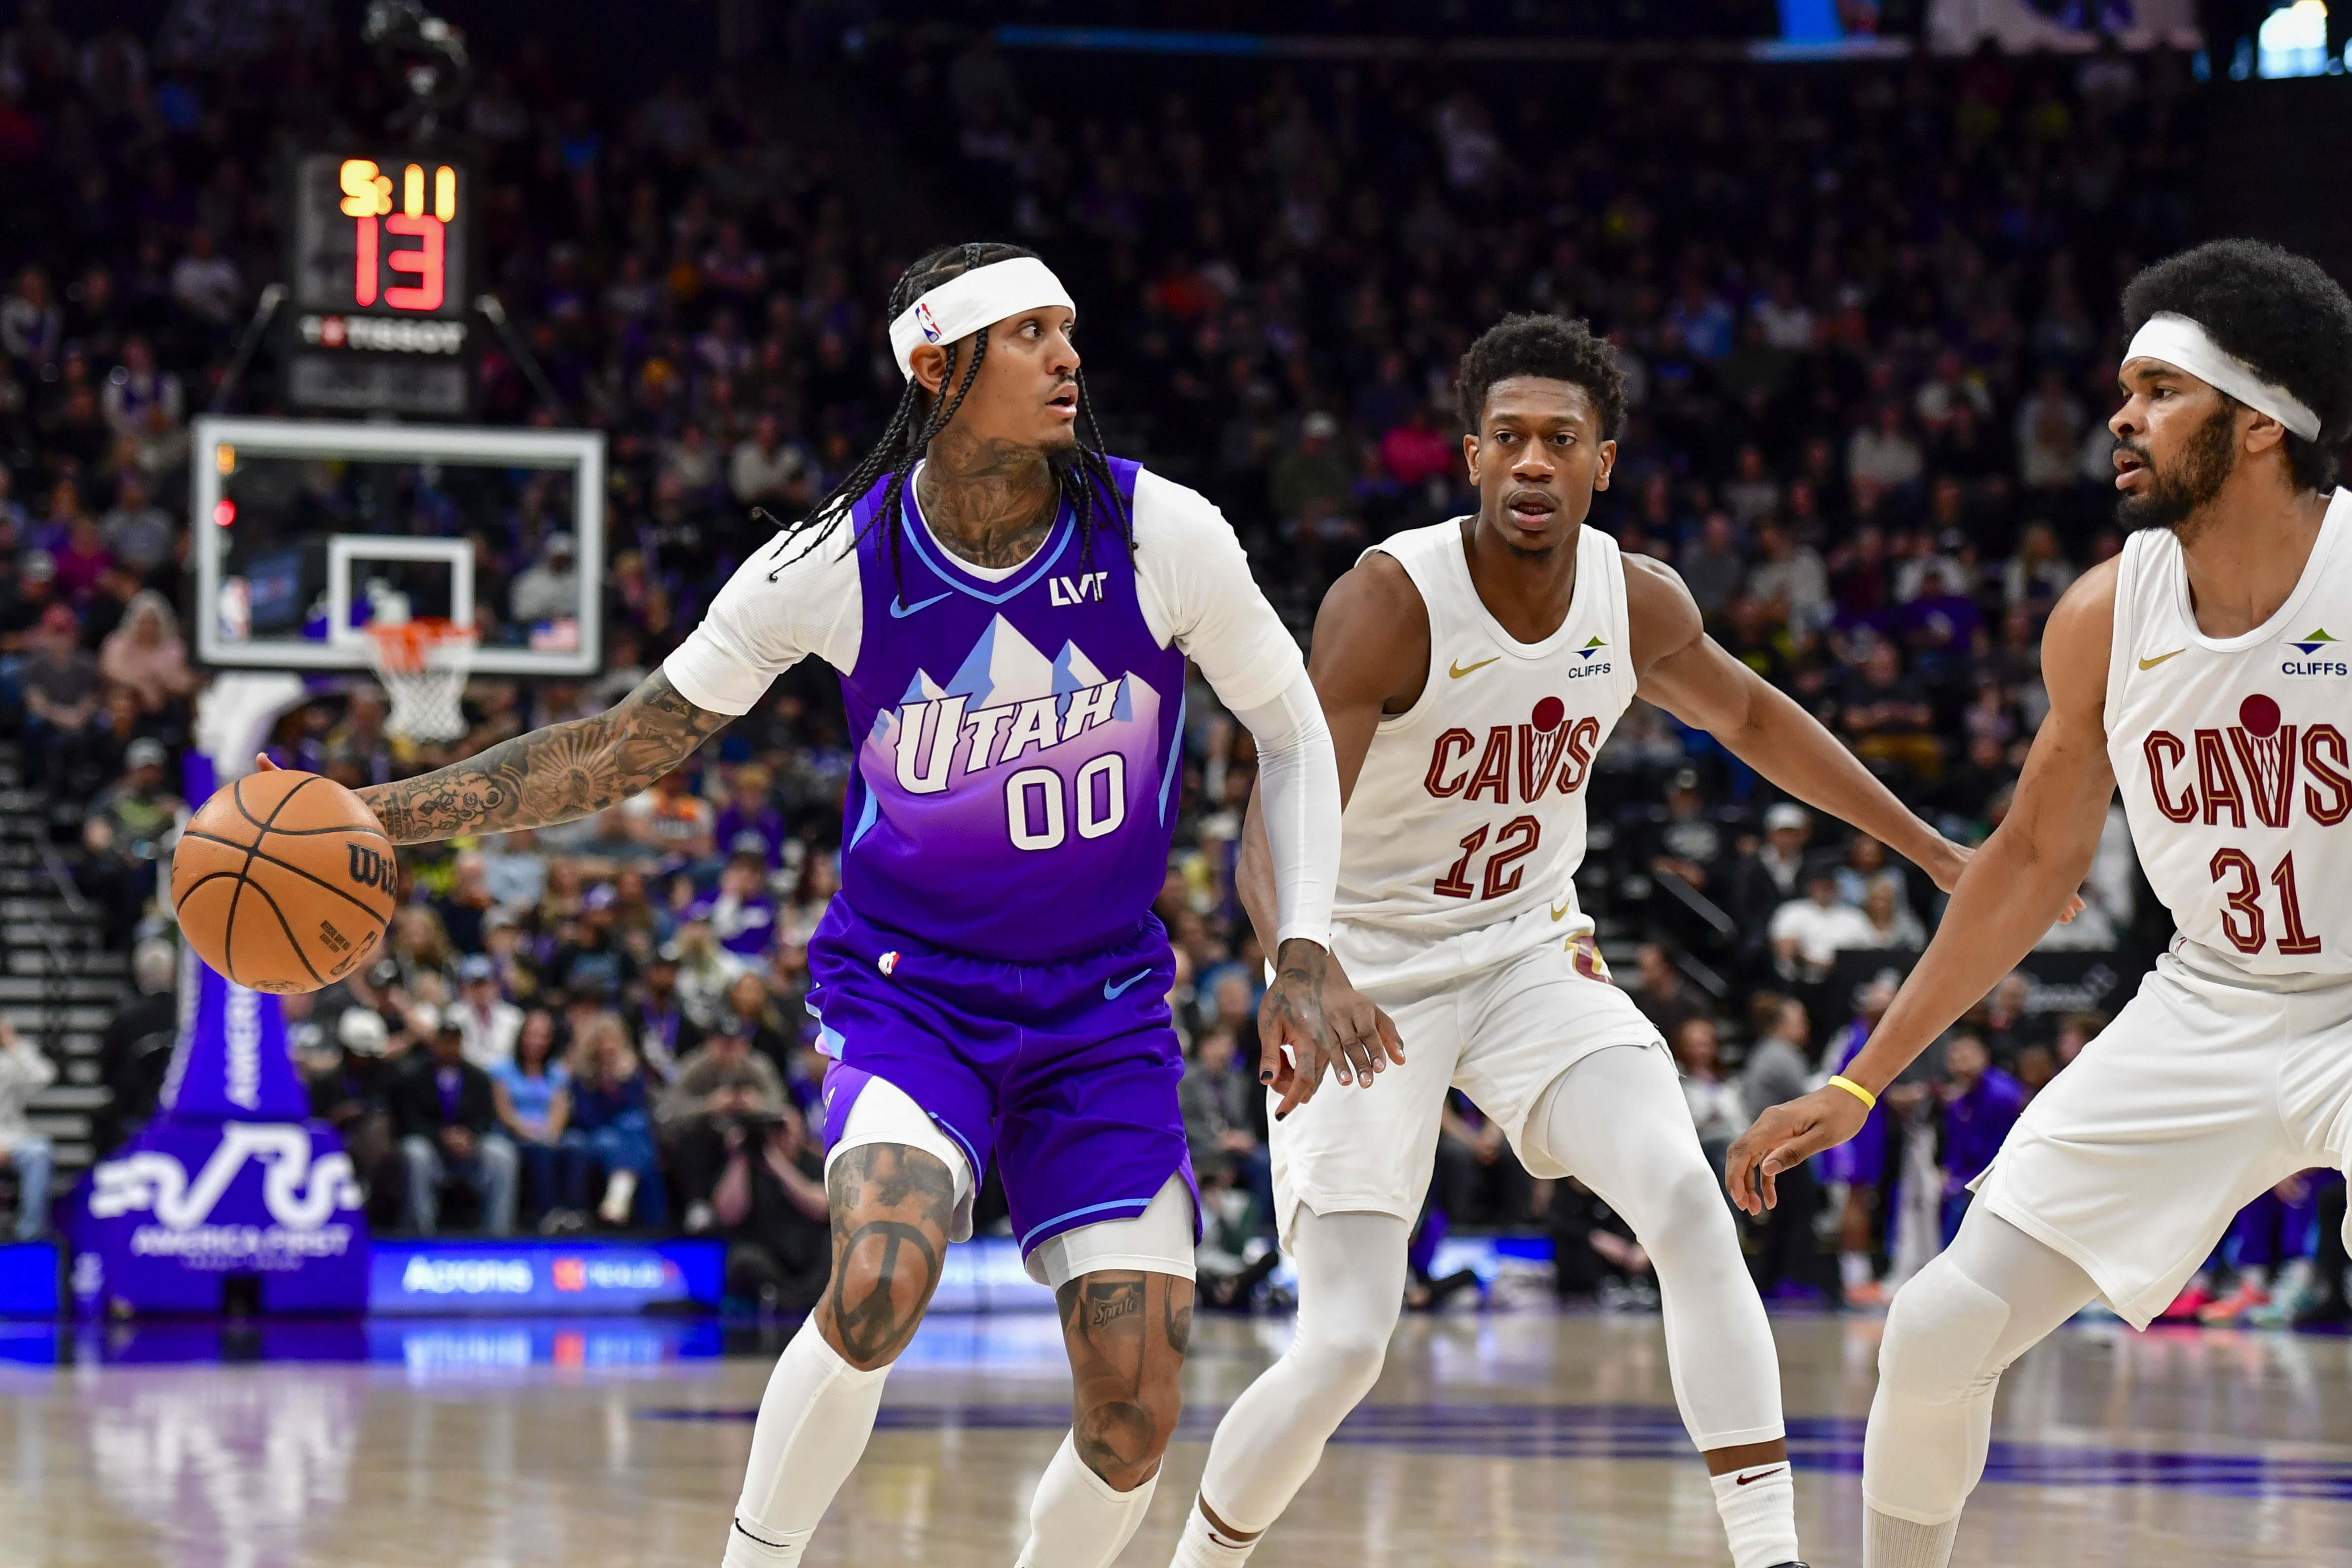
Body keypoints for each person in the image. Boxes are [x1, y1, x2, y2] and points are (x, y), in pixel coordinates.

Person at [309, 241, 1367, 1568]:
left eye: (1067, 329)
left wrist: (1302, 948)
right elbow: (629, 744)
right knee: (875, 1280)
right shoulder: (830, 557)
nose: (1067, 357)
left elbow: (1290, 731)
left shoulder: (1160, 531)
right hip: (908, 998)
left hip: (1099, 1014)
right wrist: (385, 812)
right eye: (1029, 334)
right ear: (935, 368)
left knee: (1134, 1413)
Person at [1175, 313, 1966, 1568]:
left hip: (1529, 953)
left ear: (1606, 461)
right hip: (1364, 967)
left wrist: (1927, 846)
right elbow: (1280, 811)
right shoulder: (1392, 600)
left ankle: (1772, 1557)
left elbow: (1757, 721)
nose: (1533, 463)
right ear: (1471, 457)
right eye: (1508, 440)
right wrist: (1298, 966)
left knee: (1686, 1203)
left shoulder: (1636, 599)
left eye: (1560, 441)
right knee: (1341, 1345)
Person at [1727, 239, 2352, 1568]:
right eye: (2120, 388)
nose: (2117, 416)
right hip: (2210, 996)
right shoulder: (2097, 618)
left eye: (2154, 389)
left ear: (2255, 425)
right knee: (1935, 1328)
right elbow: (2021, 867)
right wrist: (1853, 1086)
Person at [387, 1011, 518, 1237]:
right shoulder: (414, 1076)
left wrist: (468, 1137)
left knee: (502, 1154)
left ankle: (498, 1236)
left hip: (470, 1150)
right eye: (444, 1041)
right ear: (435, 1043)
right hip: (433, 1150)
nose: (449, 1047)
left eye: (454, 1042)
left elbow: (486, 1117)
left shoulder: (477, 1077)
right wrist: (442, 1138)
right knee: (414, 1152)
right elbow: (409, 1121)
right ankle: (422, 1234)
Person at [713, 1105, 832, 1313]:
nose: (779, 1136)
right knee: (744, 1259)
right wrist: (741, 1157)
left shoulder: (816, 1164)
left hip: (811, 1257)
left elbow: (822, 1208)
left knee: (837, 1249)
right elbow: (728, 1214)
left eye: (784, 1129)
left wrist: (777, 1164)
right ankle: (786, 1298)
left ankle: (796, 1298)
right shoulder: (745, 1168)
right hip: (770, 1259)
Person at [490, 1009, 573, 1231]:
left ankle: (576, 1216)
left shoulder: (558, 1073)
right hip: (514, 1135)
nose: (536, 1041)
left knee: (577, 1146)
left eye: (543, 1035)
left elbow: (560, 1110)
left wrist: (550, 1134)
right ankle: (547, 1218)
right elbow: (505, 1113)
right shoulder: (502, 1070)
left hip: (549, 1135)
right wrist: (533, 1134)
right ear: (521, 1037)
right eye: (531, 1034)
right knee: (541, 1151)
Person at [0, 1017, 57, 1240]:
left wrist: (12, 1042)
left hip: (10, 1138)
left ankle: (29, 1234)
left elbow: (44, 1075)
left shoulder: (9, 1061)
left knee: (39, 1151)